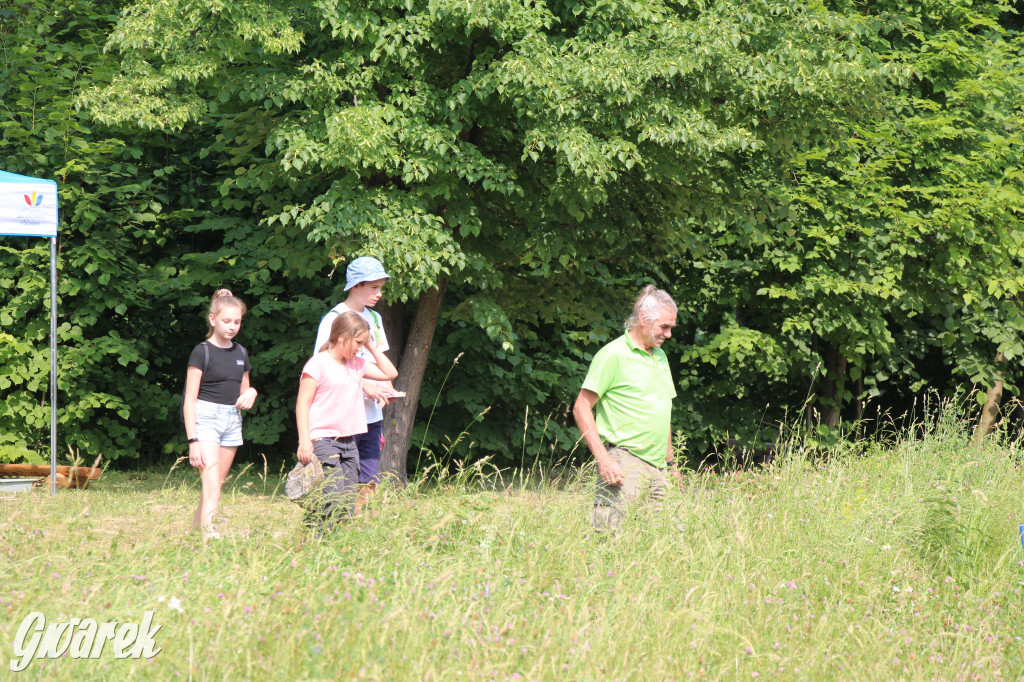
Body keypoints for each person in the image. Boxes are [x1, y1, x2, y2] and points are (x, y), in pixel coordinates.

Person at [572, 285, 681, 531]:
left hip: (659, 467)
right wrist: (604, 459)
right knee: (613, 537)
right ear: (643, 319)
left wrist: (671, 464)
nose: (669, 334)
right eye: (664, 326)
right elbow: (581, 407)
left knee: (666, 539)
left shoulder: (660, 356)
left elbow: (663, 411)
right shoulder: (612, 354)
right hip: (624, 463)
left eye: (671, 327)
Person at [298, 311, 399, 532]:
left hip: (348, 441)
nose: (361, 348)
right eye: (358, 342)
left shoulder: (357, 364)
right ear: (342, 337)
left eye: (363, 343)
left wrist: (371, 344)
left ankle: (330, 540)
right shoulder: (318, 364)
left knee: (345, 499)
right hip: (323, 439)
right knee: (330, 496)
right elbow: (302, 403)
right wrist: (304, 441)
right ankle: (313, 539)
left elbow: (390, 373)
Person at [313, 256, 399, 514]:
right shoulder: (334, 318)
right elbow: (323, 365)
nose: (379, 293)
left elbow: (380, 361)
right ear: (356, 286)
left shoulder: (375, 318)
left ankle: (356, 526)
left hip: (371, 414)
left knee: (369, 477)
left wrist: (388, 388)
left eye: (381, 287)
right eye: (374, 287)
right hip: (342, 416)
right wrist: (364, 385)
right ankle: (335, 522)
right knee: (340, 480)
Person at [183, 289, 258, 540]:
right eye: (227, 321)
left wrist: (252, 393)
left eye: (237, 321)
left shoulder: (241, 352)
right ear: (213, 319)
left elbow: (245, 389)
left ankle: (194, 538)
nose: (232, 326)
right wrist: (193, 441)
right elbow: (189, 400)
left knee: (215, 486)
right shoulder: (201, 351)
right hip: (205, 419)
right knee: (212, 485)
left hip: (232, 421)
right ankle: (209, 536)